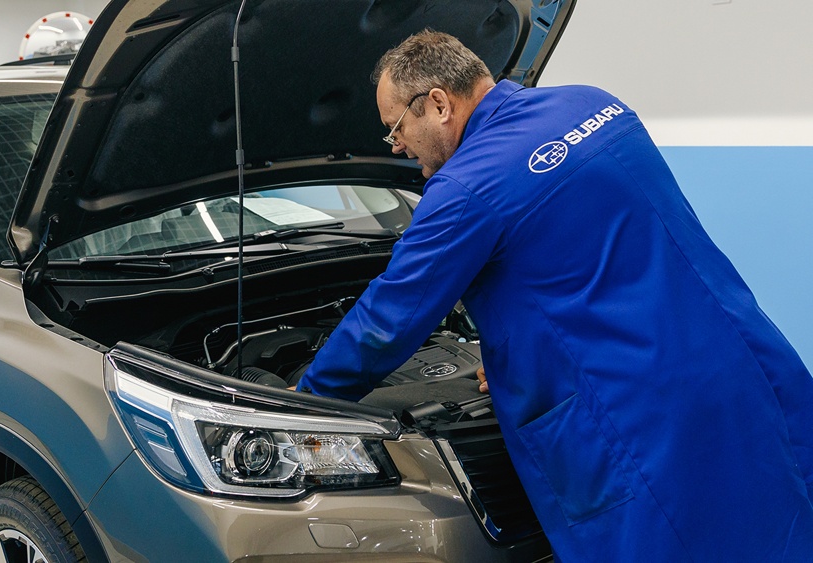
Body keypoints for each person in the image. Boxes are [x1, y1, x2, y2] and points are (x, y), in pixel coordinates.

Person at [293, 30, 813, 561]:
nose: (396, 146)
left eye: (396, 127)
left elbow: (388, 320)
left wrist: (304, 401)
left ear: (439, 104)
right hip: (738, 363)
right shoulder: (593, 104)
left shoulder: (466, 187)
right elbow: (591, 264)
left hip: (645, 421)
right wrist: (523, 359)